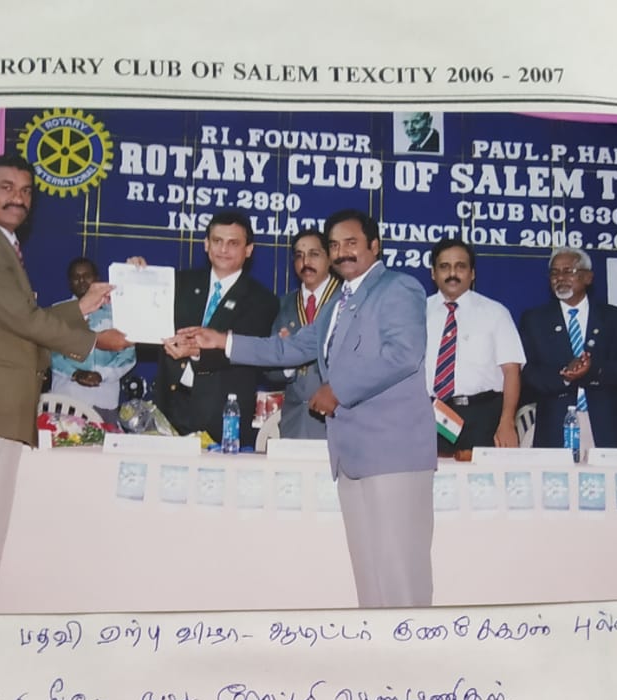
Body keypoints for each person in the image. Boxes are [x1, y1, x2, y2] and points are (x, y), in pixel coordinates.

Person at [183, 208, 437, 607]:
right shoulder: (337, 304)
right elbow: (288, 349)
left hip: (393, 454)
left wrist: (338, 390)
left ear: (375, 246)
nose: (342, 252)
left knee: (401, 571)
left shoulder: (398, 288)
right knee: (369, 573)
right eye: (334, 245)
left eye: (351, 243)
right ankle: (378, 643)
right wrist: (223, 341)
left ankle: (412, 646)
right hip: (350, 456)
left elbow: (403, 355)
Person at [0, 153, 127, 613]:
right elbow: (23, 319)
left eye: (27, 191)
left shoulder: (1, 243)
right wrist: (93, 339)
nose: (19, 198)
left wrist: (84, 306)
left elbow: (15, 320)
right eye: (7, 188)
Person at [149, 208, 278, 446]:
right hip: (170, 407)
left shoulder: (262, 300)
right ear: (206, 244)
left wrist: (195, 352)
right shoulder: (180, 283)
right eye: (217, 241)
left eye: (233, 243)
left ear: (249, 249)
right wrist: (136, 276)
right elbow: (149, 321)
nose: (223, 249)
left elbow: (244, 352)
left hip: (222, 414)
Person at [519, 246, 617, 450]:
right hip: (554, 428)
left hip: (608, 429)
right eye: (554, 273)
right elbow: (528, 374)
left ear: (588, 278)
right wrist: (566, 376)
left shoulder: (616, 318)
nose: (560, 278)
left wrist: (593, 370)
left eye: (568, 271)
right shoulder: (534, 320)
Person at [425, 238, 524, 453]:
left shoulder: (496, 313)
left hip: (483, 418)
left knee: (483, 475)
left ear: (472, 273)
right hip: (430, 416)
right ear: (433, 273)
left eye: (460, 266)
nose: (452, 273)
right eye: (444, 267)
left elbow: (512, 372)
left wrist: (507, 422)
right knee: (431, 474)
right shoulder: (417, 312)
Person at [266, 228, 340, 439]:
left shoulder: (347, 300)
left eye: (314, 254)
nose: (305, 262)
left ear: (330, 258)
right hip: (294, 419)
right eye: (299, 256)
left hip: (336, 418)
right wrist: (288, 360)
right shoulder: (282, 304)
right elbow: (269, 372)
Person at [50, 256, 136, 419]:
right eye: (76, 277)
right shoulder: (58, 312)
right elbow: (50, 353)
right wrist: (75, 374)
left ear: (97, 279)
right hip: (66, 398)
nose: (81, 280)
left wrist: (102, 375)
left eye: (87, 276)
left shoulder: (118, 313)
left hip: (104, 400)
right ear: (69, 283)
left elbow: (128, 355)